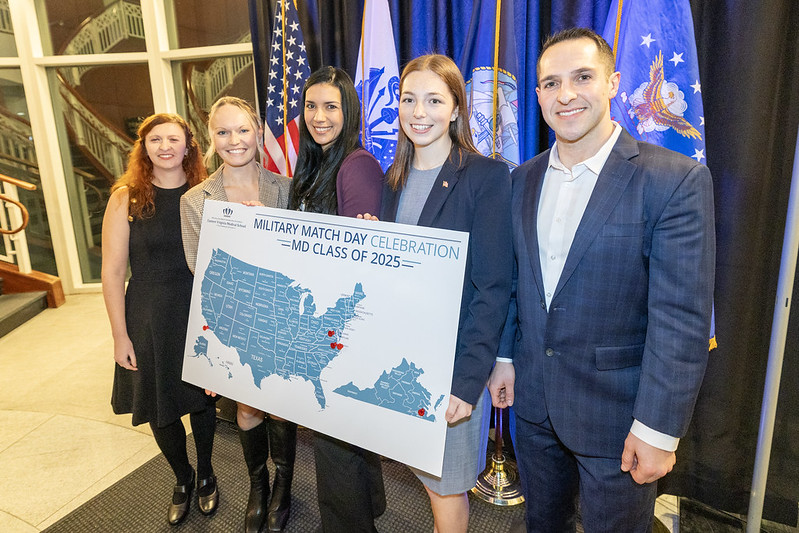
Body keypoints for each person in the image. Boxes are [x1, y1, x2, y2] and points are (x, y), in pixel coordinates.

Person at [488, 28, 715, 532]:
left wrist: (658, 428)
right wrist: (504, 357)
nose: (565, 94)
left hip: (620, 420)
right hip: (534, 407)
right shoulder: (519, 180)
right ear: (538, 95)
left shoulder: (673, 180)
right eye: (550, 83)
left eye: (582, 77)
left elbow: (681, 318)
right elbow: (511, 281)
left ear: (613, 83)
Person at [375, 54, 513, 533]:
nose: (420, 112)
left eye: (434, 100)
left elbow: (493, 289)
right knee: (423, 478)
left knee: (446, 488)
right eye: (409, 99)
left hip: (453, 366)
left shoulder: (488, 177)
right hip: (400, 362)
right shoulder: (388, 181)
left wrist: (466, 380)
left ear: (455, 108)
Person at [179, 96, 293, 533]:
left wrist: (270, 230)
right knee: (247, 405)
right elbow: (197, 267)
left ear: (258, 133)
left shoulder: (283, 189)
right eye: (223, 132)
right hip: (231, 316)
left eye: (242, 130)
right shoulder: (195, 199)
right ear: (211, 140)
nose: (235, 140)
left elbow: (299, 259)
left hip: (279, 314)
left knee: (280, 405)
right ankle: (257, 485)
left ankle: (284, 484)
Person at [102, 113, 218, 526]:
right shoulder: (125, 198)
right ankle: (182, 477)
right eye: (155, 140)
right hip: (148, 313)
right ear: (143, 146)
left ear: (189, 146)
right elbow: (113, 272)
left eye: (174, 139)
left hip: (197, 309)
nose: (165, 147)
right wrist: (119, 336)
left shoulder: (206, 194)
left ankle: (206, 472)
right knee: (159, 403)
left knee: (202, 400)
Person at [289, 66, 387, 533]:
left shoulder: (356, 164)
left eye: (331, 106)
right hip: (321, 317)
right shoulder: (312, 165)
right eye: (311, 106)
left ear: (349, 112)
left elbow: (358, 267)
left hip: (339, 326)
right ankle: (368, 504)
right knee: (346, 435)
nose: (319, 116)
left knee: (332, 438)